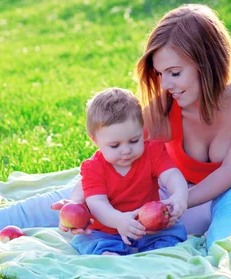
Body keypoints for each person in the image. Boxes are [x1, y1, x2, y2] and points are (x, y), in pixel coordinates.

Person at [0, 3, 231, 250]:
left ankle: (224, 266)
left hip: (216, 198)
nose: (166, 84)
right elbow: (114, 156)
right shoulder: (165, 105)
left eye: (175, 72)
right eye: (160, 74)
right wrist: (78, 202)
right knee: (49, 205)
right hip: (166, 200)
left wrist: (178, 201)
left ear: (208, 60)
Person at [70, 88, 188, 255]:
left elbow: (172, 175)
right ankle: (110, 255)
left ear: (142, 130)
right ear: (95, 140)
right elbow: (97, 204)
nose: (126, 150)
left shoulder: (152, 151)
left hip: (149, 229)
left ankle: (155, 255)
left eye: (134, 140)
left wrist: (179, 195)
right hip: (107, 231)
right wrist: (119, 220)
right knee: (86, 240)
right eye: (115, 145)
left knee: (175, 231)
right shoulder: (94, 167)